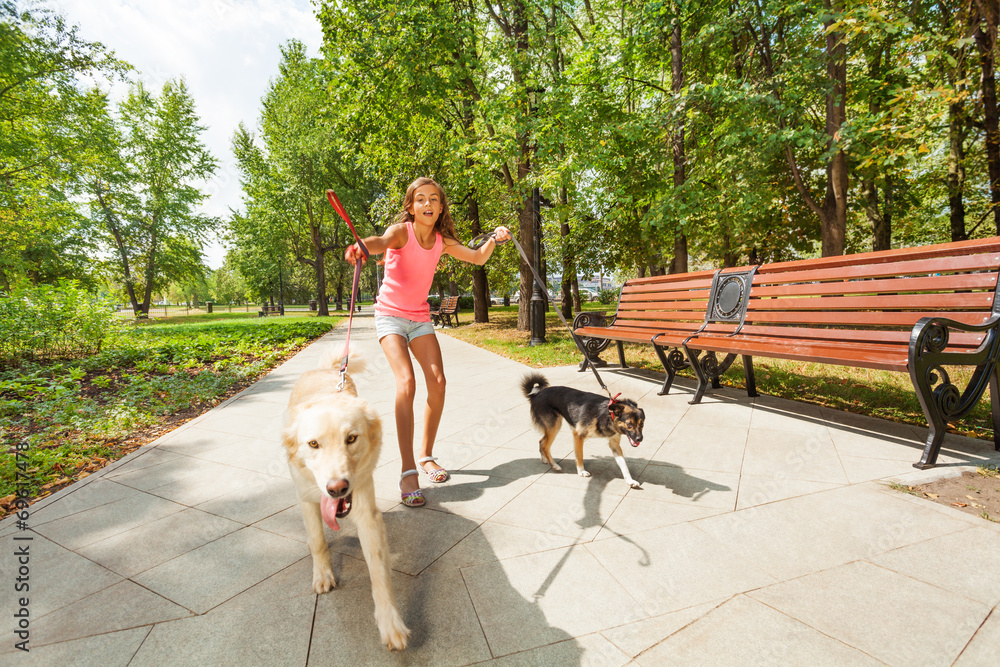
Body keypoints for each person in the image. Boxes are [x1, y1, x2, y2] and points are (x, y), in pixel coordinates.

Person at [345, 177, 510, 507]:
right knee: (406, 382)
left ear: (440, 206)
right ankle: (408, 471)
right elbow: (377, 241)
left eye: (434, 199)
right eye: (420, 199)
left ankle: (425, 455)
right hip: (390, 316)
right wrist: (360, 247)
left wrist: (495, 236)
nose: (428, 204)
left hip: (419, 318)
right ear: (411, 207)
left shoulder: (441, 240)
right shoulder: (401, 232)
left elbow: (478, 258)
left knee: (438, 382)